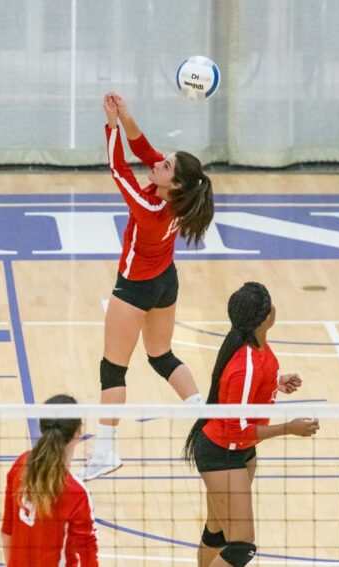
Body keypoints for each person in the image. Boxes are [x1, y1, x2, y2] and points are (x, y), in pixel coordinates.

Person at [82, 92, 215, 480]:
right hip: (165, 282)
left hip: (135, 289)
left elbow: (118, 167)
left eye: (166, 165)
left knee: (113, 370)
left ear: (174, 183)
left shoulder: (153, 208)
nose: (157, 163)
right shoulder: (174, 194)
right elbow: (142, 149)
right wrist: (125, 115)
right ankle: (201, 416)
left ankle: (105, 451)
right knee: (160, 357)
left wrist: (109, 126)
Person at [183, 282, 320, 567]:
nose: (274, 309)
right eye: (270, 306)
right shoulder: (244, 365)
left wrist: (275, 382)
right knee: (241, 547)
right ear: (263, 319)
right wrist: (288, 428)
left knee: (217, 531)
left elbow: (249, 384)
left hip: (240, 451)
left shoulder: (256, 347)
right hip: (223, 453)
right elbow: (237, 429)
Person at [1, 395, 97, 566]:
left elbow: (7, 532)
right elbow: (88, 558)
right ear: (78, 432)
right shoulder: (76, 493)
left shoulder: (21, 465)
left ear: (41, 427)